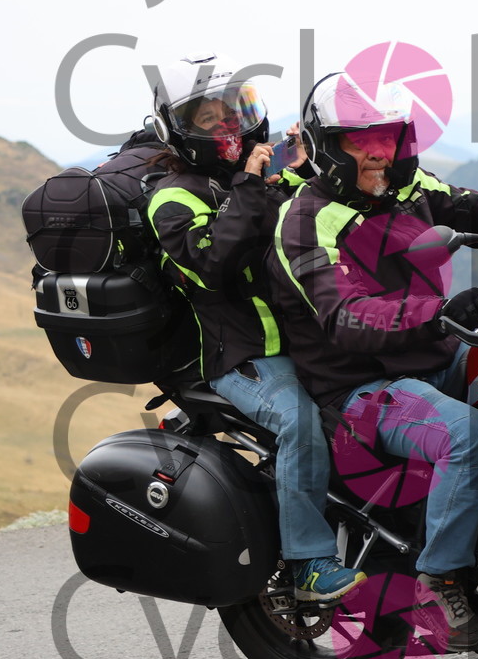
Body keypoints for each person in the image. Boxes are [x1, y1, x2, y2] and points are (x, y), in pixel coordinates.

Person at [267, 71, 478, 651]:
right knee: (469, 436)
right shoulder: (304, 222)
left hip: (437, 352)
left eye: (389, 138)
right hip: (360, 387)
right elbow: (346, 316)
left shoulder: (409, 188)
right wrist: (438, 312)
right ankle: (439, 581)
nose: (379, 153)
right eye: (361, 141)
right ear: (328, 147)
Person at [140, 55, 364, 605]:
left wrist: (308, 170)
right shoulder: (173, 197)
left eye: (234, 110)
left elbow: (303, 224)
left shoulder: (257, 181)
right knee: (299, 422)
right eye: (208, 117)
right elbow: (212, 264)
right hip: (243, 358)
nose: (228, 125)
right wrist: (249, 184)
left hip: (306, 341)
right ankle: (309, 562)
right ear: (177, 130)